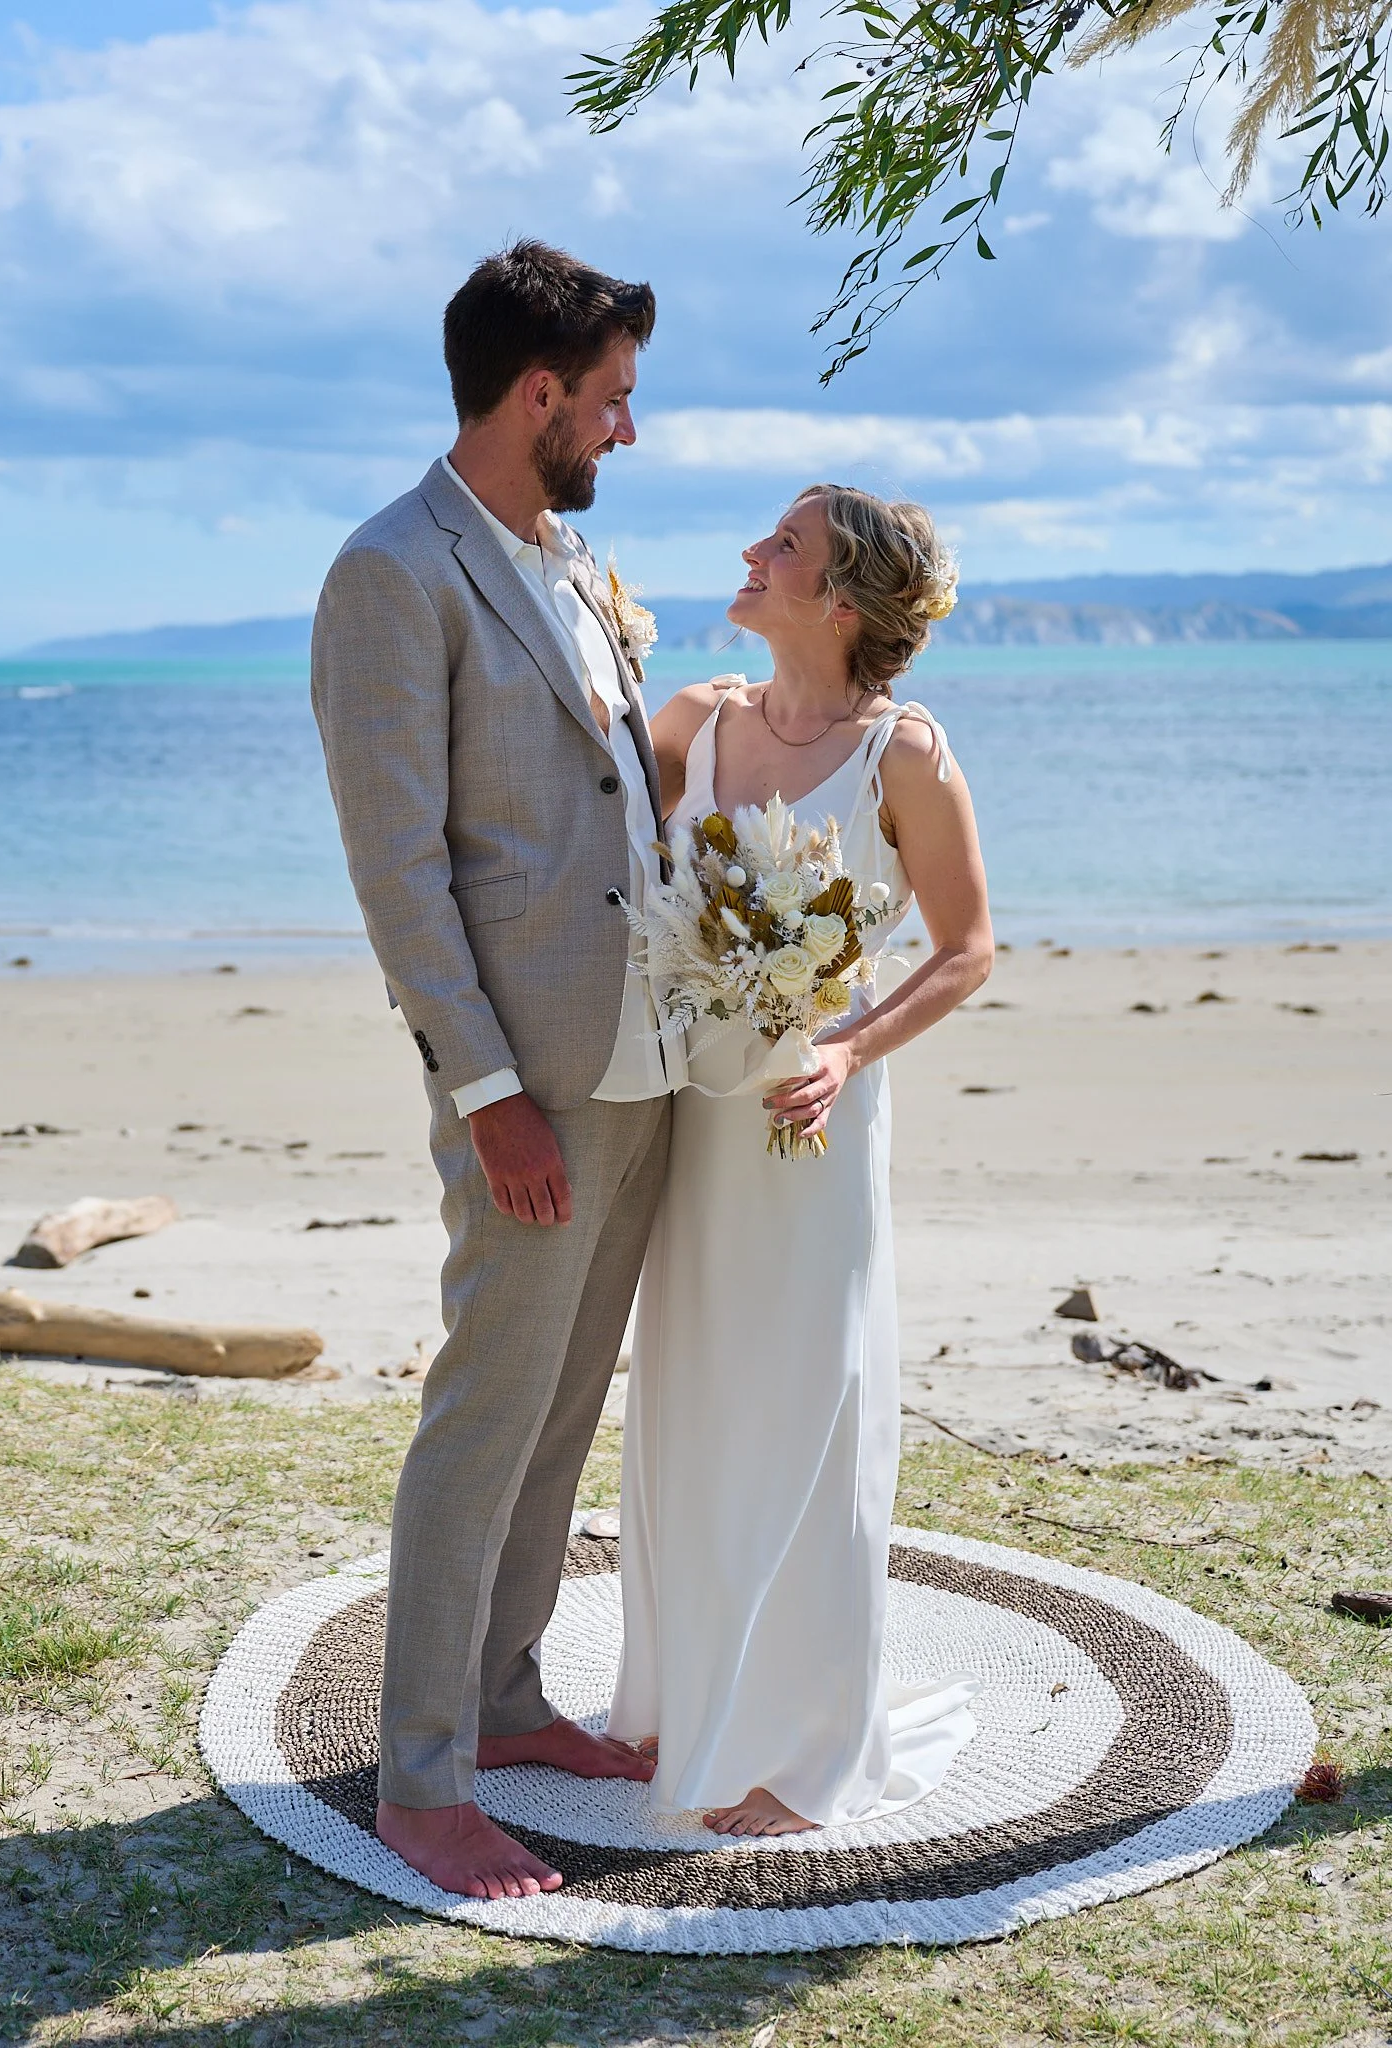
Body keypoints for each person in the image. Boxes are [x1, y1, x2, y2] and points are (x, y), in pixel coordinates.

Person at [311, 240, 680, 1901]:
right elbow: (401, 872)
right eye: (609, 399)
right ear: (538, 393)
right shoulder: (392, 574)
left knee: (562, 1406)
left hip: (641, 1064)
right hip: (526, 1083)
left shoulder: (578, 567)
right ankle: (423, 1777)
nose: (624, 429)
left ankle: (508, 1696)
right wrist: (486, 1091)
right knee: (483, 1416)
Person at [608, 484, 993, 1835]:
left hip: (812, 1123)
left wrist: (847, 1051)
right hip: (697, 1114)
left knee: (809, 1404)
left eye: (783, 547)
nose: (749, 554)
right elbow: (593, 855)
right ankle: (670, 1701)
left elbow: (966, 950)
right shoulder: (695, 722)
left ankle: (807, 1747)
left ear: (840, 604)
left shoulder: (905, 755)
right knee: (693, 1392)